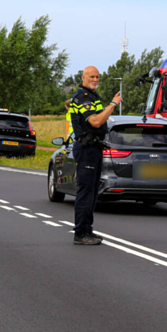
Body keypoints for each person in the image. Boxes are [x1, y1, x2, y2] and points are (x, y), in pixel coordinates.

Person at [67, 66, 122, 245]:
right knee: (85, 192)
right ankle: (80, 233)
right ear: (83, 77)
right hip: (86, 149)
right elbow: (96, 121)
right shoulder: (83, 98)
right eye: (92, 76)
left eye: (98, 77)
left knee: (92, 193)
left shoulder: (92, 97)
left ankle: (87, 230)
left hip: (95, 148)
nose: (95, 79)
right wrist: (113, 104)